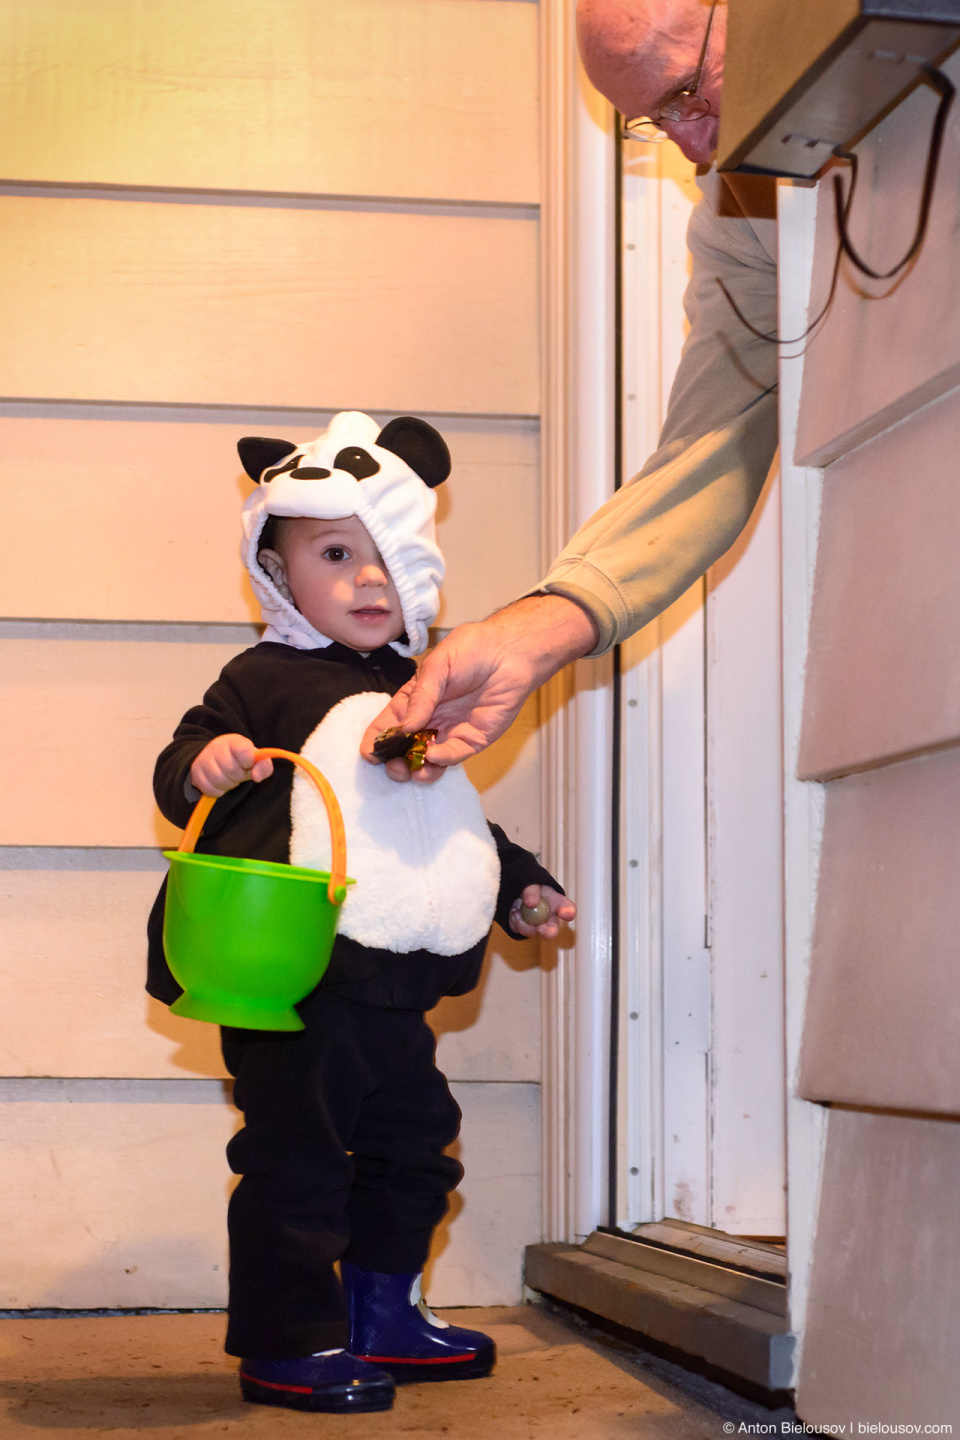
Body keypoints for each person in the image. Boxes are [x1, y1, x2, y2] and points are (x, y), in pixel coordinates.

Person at [146, 411, 575, 1415]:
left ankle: (383, 1313)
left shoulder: (422, 684)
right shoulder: (261, 679)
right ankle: (290, 1338)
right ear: (274, 567)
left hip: (392, 989)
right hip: (293, 978)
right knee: (295, 1160)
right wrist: (207, 762)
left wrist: (519, 886)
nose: (369, 580)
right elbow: (180, 776)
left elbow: (442, 808)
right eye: (335, 554)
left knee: (416, 1149)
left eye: (391, 554)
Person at [360, 0, 780, 783]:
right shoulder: (744, 214)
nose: (691, 146)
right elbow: (707, 450)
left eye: (689, 95)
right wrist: (531, 630)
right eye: (658, 120)